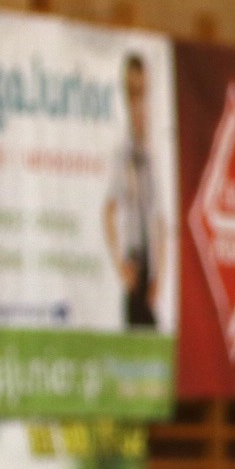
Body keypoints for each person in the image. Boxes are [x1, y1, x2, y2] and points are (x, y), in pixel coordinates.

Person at [102, 53, 167, 328]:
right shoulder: (122, 156)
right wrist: (120, 265)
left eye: (142, 93)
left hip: (152, 269)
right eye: (132, 93)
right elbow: (109, 211)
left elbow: (160, 219)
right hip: (134, 261)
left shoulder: (154, 156)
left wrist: (160, 274)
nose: (138, 105)